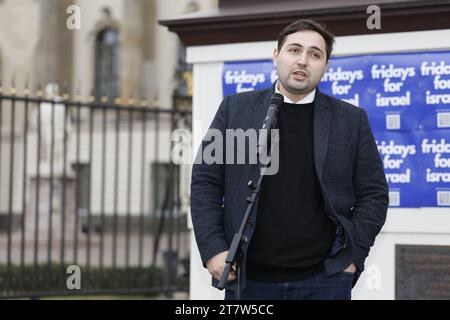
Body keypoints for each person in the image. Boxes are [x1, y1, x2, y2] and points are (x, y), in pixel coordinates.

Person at [190, 19, 389, 300]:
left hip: (324, 280)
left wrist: (352, 256)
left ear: (325, 65)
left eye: (315, 54)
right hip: (247, 280)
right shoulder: (237, 110)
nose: (303, 61)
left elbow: (374, 194)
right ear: (276, 55)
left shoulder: (350, 120)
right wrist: (213, 249)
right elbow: (206, 183)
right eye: (294, 50)